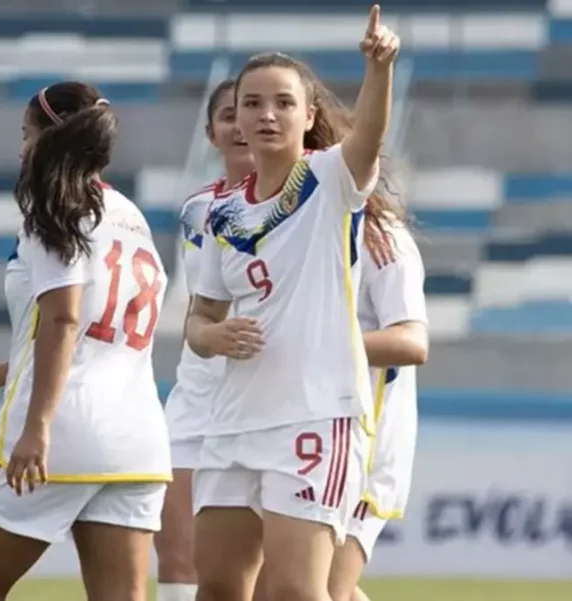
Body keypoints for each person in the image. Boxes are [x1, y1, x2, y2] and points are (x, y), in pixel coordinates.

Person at [186, 5, 401, 601]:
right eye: (251, 103)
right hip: (233, 421)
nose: (265, 114)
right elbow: (199, 318)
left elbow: (371, 136)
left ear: (309, 116)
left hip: (314, 415)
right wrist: (213, 336)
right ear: (235, 122)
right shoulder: (221, 214)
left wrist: (378, 68)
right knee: (220, 589)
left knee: (293, 592)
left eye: (282, 102)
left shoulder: (330, 179)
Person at [0, 81, 171, 601]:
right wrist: (2, 371)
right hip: (135, 435)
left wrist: (37, 428)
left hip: (63, 429)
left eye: (27, 134)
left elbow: (65, 320)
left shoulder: (52, 206)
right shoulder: (130, 215)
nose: (22, 148)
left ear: (51, 138)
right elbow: (98, 329)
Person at [155, 78, 254, 601]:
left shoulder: (307, 199)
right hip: (197, 397)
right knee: (176, 555)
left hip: (266, 396)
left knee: (275, 576)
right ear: (211, 132)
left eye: (252, 111)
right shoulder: (197, 210)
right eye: (228, 115)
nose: (241, 125)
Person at [329, 195, 428, 601]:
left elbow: (411, 342)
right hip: (300, 437)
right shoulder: (291, 224)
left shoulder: (379, 235)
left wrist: (320, 344)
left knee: (317, 590)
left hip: (362, 450)